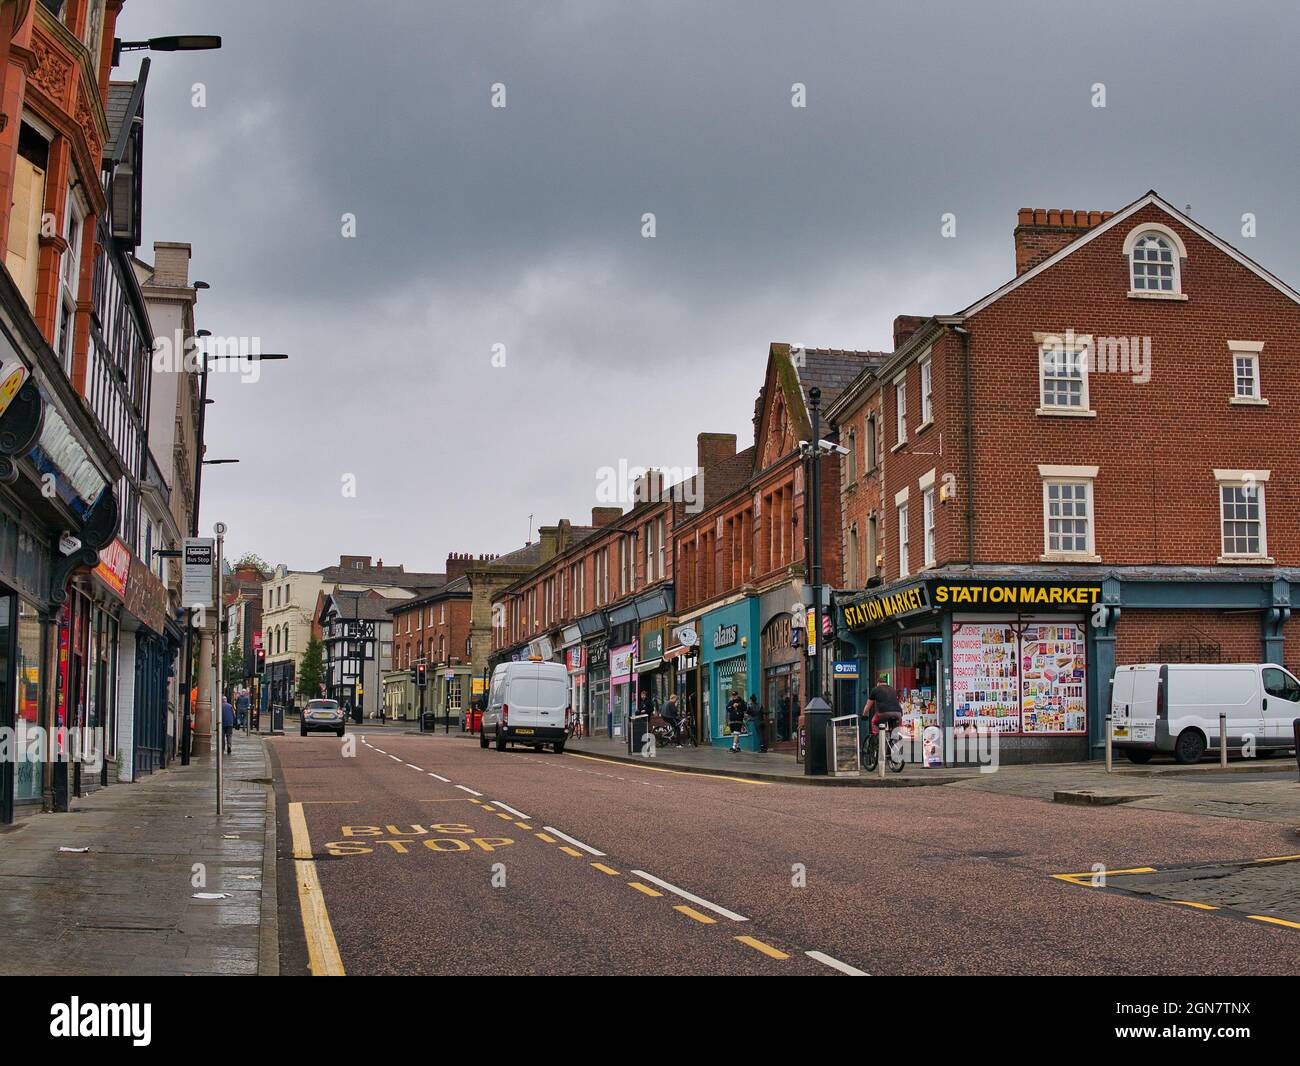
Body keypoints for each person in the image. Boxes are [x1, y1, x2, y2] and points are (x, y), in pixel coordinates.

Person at [862, 672, 903, 754]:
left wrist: (864, 715)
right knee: (893, 730)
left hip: (884, 713)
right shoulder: (892, 689)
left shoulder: (875, 690)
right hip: (898, 713)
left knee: (874, 721)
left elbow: (868, 706)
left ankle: (878, 738)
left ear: (878, 683)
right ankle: (893, 745)